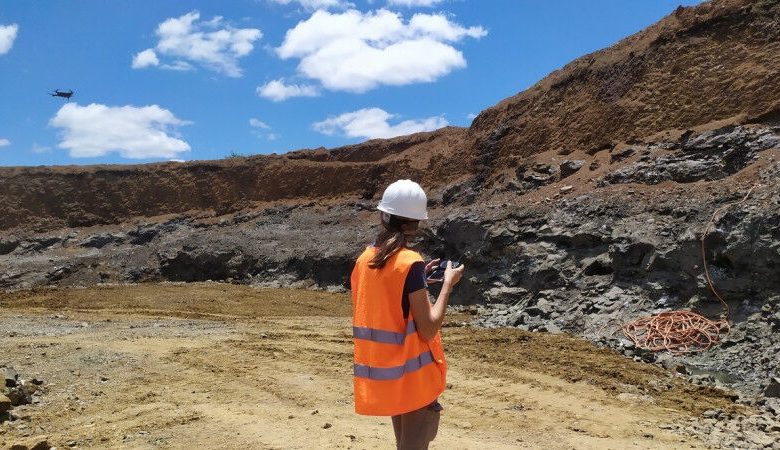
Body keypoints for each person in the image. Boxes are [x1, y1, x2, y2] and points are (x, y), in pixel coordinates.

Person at [351, 179, 465, 450]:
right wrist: (447, 284)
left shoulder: (365, 259)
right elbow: (428, 328)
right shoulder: (409, 262)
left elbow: (386, 299)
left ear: (383, 216)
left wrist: (420, 280)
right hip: (413, 378)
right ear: (415, 223)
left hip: (386, 373)